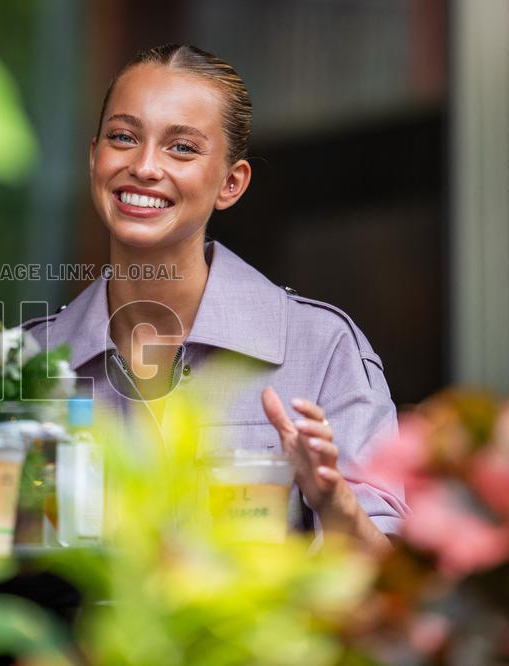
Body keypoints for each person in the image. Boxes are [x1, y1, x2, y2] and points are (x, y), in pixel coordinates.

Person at [25, 44, 406, 553]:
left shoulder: (321, 349)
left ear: (231, 183)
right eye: (123, 137)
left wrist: (333, 501)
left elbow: (395, 583)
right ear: (94, 156)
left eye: (181, 147)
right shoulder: (28, 363)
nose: (144, 166)